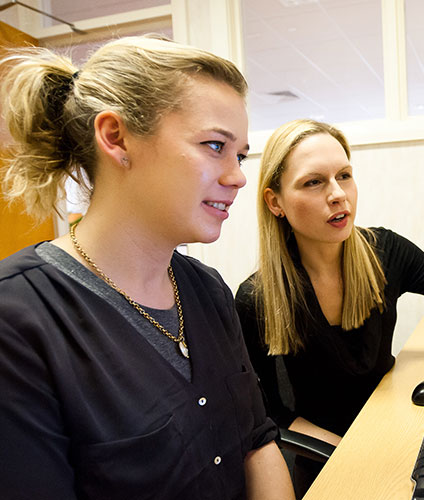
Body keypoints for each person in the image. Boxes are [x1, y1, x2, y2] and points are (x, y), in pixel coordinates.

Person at [0, 36, 294, 499]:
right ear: (116, 138)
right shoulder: (19, 320)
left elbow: (256, 441)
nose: (238, 176)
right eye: (215, 145)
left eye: (239, 155)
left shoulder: (207, 290)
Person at [235, 119, 424, 495]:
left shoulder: (385, 251)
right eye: (314, 182)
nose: (338, 195)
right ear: (275, 202)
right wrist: (353, 452)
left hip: (389, 424)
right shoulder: (257, 297)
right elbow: (268, 412)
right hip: (326, 457)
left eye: (344, 176)